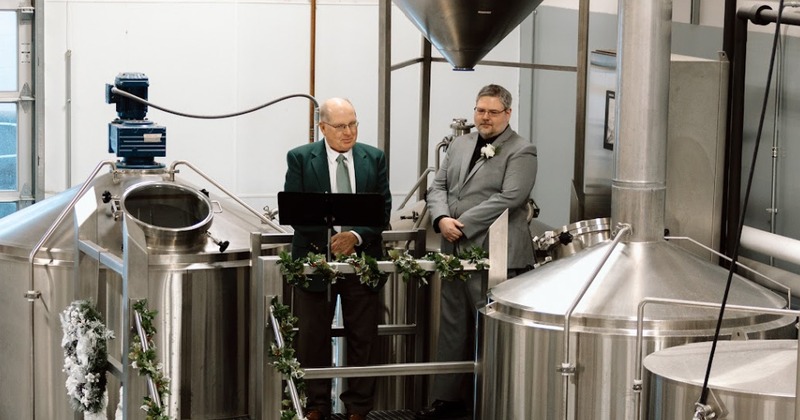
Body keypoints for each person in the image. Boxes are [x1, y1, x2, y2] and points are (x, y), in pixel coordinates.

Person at [418, 84, 537, 419]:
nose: (485, 118)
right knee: (453, 323)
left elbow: (511, 197)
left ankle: (490, 402)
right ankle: (447, 400)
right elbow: (438, 185)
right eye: (480, 110)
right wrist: (441, 218)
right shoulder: (459, 144)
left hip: (494, 255)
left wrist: (462, 223)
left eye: (493, 112)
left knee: (490, 330)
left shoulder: (522, 150)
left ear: (508, 114)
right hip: (453, 250)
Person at [283, 97, 392, 420]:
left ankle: (358, 408)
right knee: (312, 336)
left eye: (353, 124)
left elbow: (382, 211)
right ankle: (316, 405)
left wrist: (355, 237)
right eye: (341, 126)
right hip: (316, 260)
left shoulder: (374, 158)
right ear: (323, 127)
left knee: (364, 337)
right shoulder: (301, 158)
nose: (349, 132)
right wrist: (332, 242)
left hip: (363, 261)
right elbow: (296, 213)